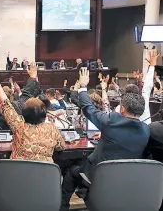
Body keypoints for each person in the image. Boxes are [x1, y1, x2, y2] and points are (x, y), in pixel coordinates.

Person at [60, 68, 150, 211]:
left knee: (70, 172)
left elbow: (89, 108)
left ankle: (62, 207)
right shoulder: (146, 130)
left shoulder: (111, 121)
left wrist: (83, 87)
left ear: (122, 109)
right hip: (125, 180)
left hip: (98, 177)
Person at [0, 62, 66, 161]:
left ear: (23, 114)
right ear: (44, 114)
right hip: (44, 176)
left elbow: (5, 102)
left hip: (18, 175)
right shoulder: (52, 129)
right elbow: (61, 146)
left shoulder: (18, 126)